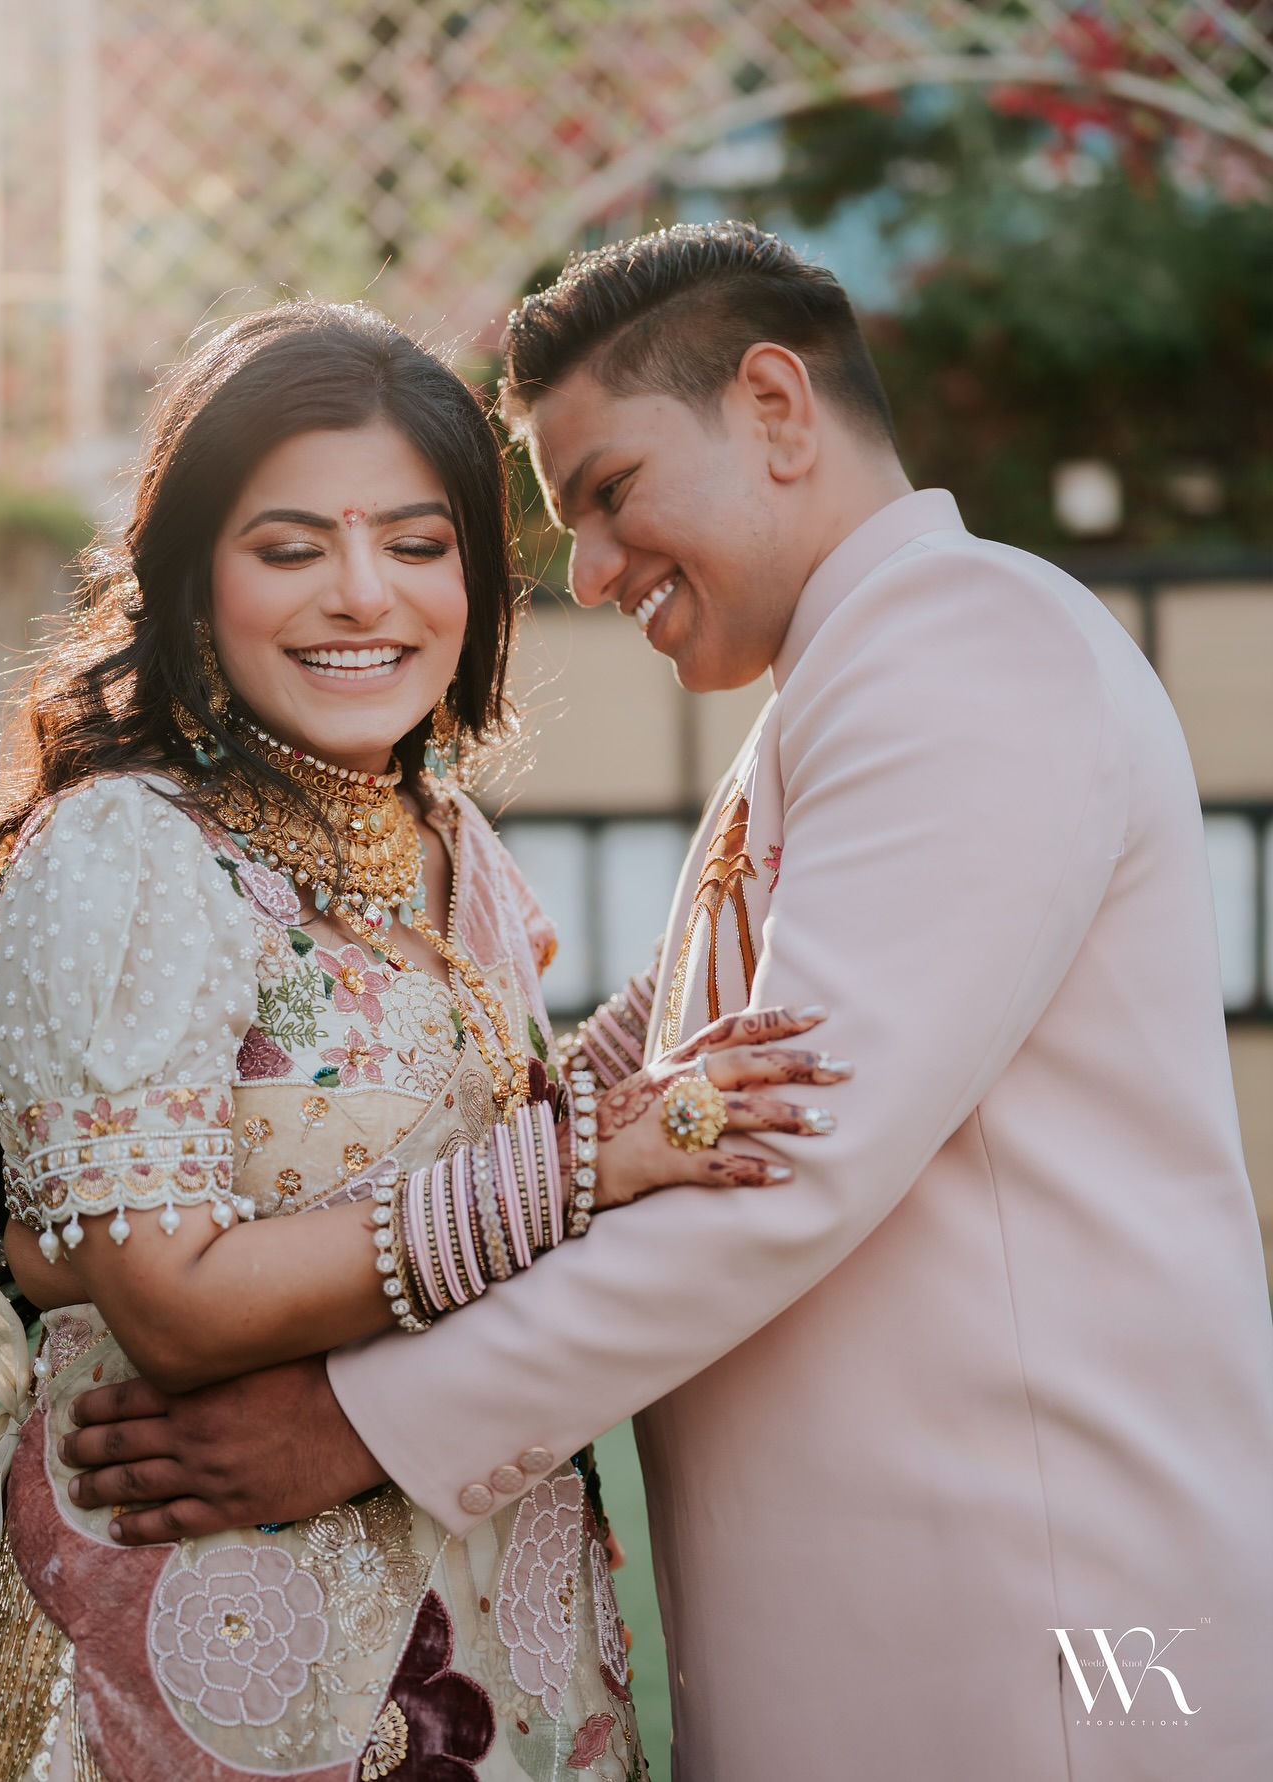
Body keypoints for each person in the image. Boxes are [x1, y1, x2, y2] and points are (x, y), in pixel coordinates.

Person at [61, 224, 1273, 1781]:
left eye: (612, 491)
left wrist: (355, 1424)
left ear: (776, 406)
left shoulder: (966, 651)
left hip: (1037, 1627)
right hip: (900, 1616)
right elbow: (650, 1079)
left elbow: (784, 1161)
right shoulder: (836, 689)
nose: (587, 570)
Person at [0, 299, 846, 1782]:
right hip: (216, 1654)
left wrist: (752, 910)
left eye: (415, 542)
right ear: (191, 574)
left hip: (504, 1626)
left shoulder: (451, 837)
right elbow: (173, 1302)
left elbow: (498, 1124)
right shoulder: (127, 852)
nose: (361, 595)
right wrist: (591, 1159)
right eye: (288, 549)